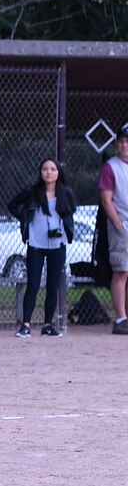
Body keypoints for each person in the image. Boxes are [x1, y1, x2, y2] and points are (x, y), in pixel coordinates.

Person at [6, 157, 77, 338]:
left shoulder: (65, 192)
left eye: (53, 169)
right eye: (45, 169)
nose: (49, 172)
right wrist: (25, 219)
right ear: (40, 172)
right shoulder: (32, 192)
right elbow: (12, 205)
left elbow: (71, 210)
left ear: (59, 172)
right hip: (36, 244)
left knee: (53, 286)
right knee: (33, 284)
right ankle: (26, 325)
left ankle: (47, 325)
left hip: (57, 245)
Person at [99, 131, 128, 335]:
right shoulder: (111, 167)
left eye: (127, 142)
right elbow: (106, 199)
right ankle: (121, 318)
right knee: (122, 271)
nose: (124, 145)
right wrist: (118, 223)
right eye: (121, 142)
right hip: (123, 224)